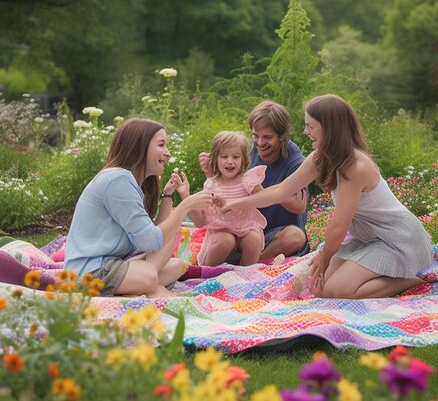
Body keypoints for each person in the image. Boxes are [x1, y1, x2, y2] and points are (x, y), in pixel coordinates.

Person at [219, 94, 438, 299]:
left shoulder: (356, 166)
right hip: (371, 239)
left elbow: (339, 223)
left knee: (338, 290)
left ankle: (436, 273)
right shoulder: (320, 157)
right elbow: (280, 191)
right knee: (320, 289)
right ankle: (433, 262)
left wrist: (325, 256)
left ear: (329, 127)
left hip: (397, 239)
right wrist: (233, 203)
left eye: (311, 126)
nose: (306, 132)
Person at [64, 118, 212, 298]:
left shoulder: (128, 181)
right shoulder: (118, 180)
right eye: (161, 144)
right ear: (139, 146)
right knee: (150, 275)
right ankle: (148, 287)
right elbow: (151, 241)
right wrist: (186, 205)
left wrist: (167, 196)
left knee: (174, 266)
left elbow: (152, 235)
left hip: (112, 262)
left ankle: (142, 287)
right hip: (89, 272)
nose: (167, 153)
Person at [199, 101, 309, 260]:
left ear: (282, 136)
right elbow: (229, 185)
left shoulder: (295, 161)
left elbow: (299, 206)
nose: (259, 143)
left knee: (296, 236)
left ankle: (255, 260)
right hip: (241, 228)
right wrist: (213, 173)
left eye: (267, 137)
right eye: (255, 136)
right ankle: (243, 260)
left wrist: (265, 191)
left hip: (273, 235)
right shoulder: (249, 152)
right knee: (225, 239)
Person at [187, 131, 267, 266]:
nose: (230, 161)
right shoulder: (212, 184)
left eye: (236, 157)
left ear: (243, 160)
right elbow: (201, 220)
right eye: (224, 156)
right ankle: (207, 272)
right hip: (221, 231)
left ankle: (247, 273)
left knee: (254, 238)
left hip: (245, 228)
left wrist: (256, 189)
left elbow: (263, 199)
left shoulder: (247, 180)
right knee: (226, 240)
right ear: (215, 159)